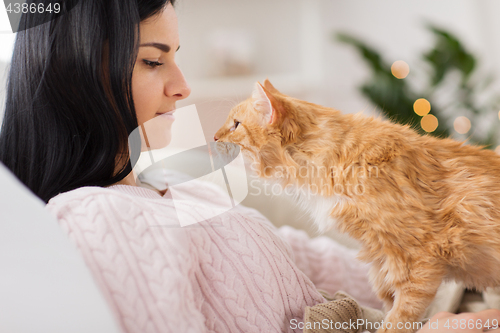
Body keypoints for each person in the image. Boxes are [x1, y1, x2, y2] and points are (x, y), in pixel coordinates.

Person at [0, 1, 498, 332]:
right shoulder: (98, 217)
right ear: (76, 74)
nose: (183, 85)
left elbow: (305, 260)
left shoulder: (176, 188)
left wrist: (450, 288)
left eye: (176, 57)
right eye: (153, 61)